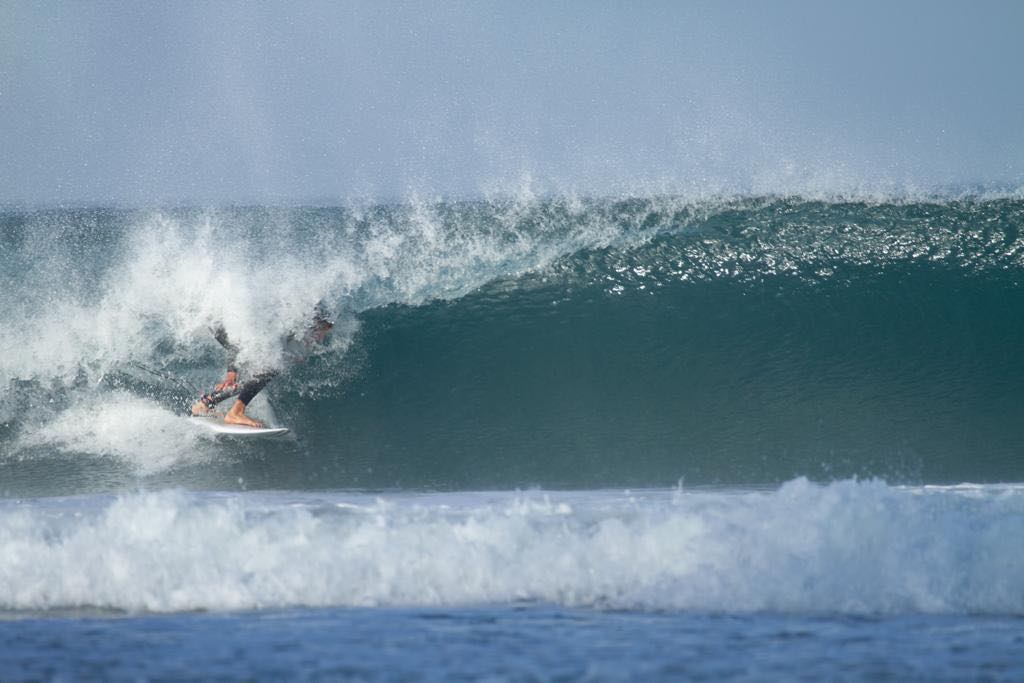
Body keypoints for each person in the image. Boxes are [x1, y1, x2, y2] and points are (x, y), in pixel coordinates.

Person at [191, 308, 333, 427]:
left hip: (221, 319)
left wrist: (291, 355)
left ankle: (205, 404)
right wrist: (231, 373)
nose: (320, 339)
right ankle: (235, 412)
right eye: (320, 333)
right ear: (312, 325)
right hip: (221, 323)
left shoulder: (290, 324)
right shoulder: (281, 324)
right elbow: (238, 341)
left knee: (263, 371)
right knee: (271, 365)